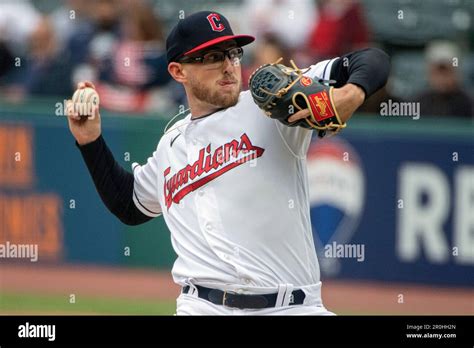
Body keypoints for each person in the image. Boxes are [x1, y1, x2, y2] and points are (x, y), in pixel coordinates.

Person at [66, 11, 390, 315]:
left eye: (233, 53)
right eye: (211, 57)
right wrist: (90, 141)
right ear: (178, 71)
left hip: (292, 306)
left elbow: (372, 58)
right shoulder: (171, 145)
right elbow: (129, 205)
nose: (228, 65)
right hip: (201, 306)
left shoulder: (269, 108)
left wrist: (350, 93)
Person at [417, 41, 473, 118]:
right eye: (438, 72)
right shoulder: (418, 102)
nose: (442, 78)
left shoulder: (469, 104)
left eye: (447, 71)